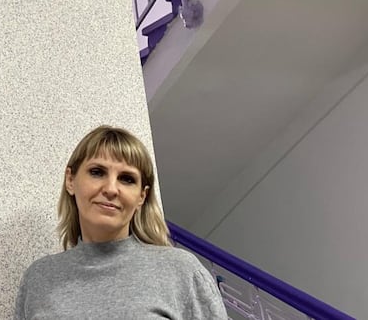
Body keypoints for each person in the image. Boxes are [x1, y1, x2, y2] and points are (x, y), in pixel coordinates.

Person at [14, 126, 228, 319]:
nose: (111, 189)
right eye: (97, 172)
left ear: (141, 196)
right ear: (70, 180)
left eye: (127, 179)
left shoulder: (181, 271)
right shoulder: (38, 278)